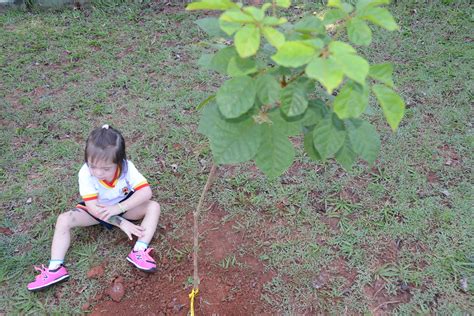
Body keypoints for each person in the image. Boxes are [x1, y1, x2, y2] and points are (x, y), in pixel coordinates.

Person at [27, 125, 161, 291]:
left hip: (123, 206)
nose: (98, 173)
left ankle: (139, 250)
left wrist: (119, 208)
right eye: (93, 166)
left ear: (119, 162)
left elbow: (146, 192)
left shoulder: (127, 168)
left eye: (106, 168)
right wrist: (121, 222)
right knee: (63, 220)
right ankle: (55, 268)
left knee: (153, 207)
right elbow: (93, 208)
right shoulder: (85, 173)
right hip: (95, 211)